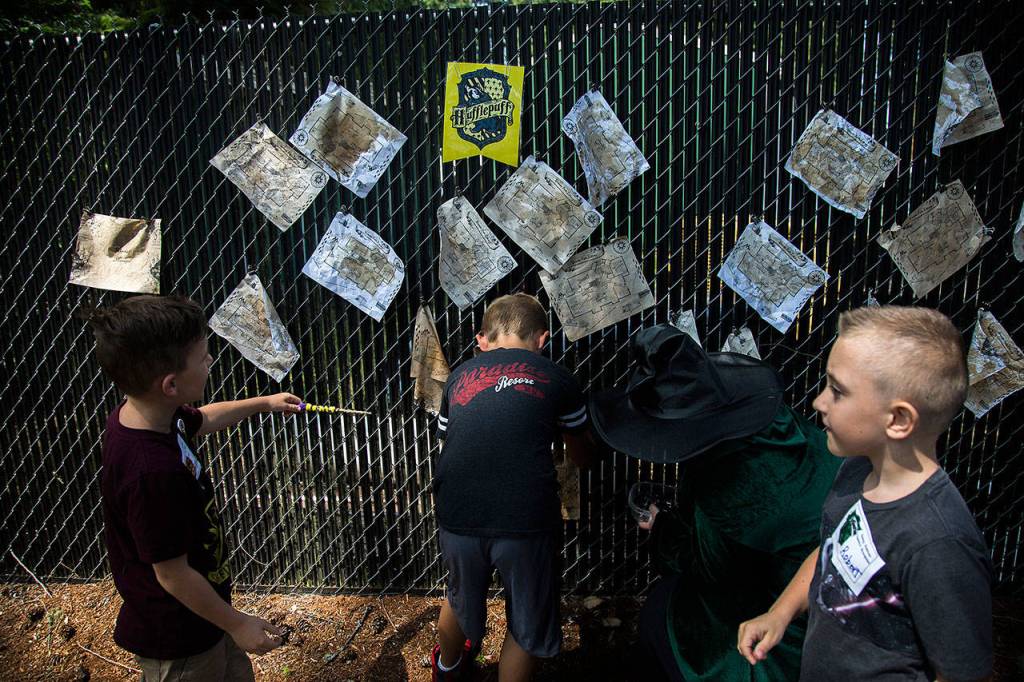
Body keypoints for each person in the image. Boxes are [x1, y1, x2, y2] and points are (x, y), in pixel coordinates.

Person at [738, 306, 992, 681]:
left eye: (838, 391)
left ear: (899, 420)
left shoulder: (938, 544)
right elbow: (834, 551)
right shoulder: (858, 470)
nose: (819, 402)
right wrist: (781, 612)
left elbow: (963, 674)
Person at [589, 324, 839, 681]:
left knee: (660, 615)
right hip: (830, 585)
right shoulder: (779, 423)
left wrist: (661, 528)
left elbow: (707, 569)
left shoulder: (726, 492)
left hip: (789, 632)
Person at [86, 294, 302, 681]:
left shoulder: (154, 416)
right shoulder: (151, 473)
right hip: (178, 637)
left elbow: (202, 419)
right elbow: (173, 576)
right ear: (170, 385)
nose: (210, 361)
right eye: (203, 358)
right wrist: (237, 623)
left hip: (207, 615)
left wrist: (265, 402)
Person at [430, 293, 593, 682]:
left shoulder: (458, 377)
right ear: (542, 339)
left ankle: (447, 669)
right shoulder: (557, 378)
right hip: (525, 518)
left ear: (482, 339)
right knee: (527, 618)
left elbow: (450, 439)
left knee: (459, 595)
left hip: (458, 513)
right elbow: (582, 455)